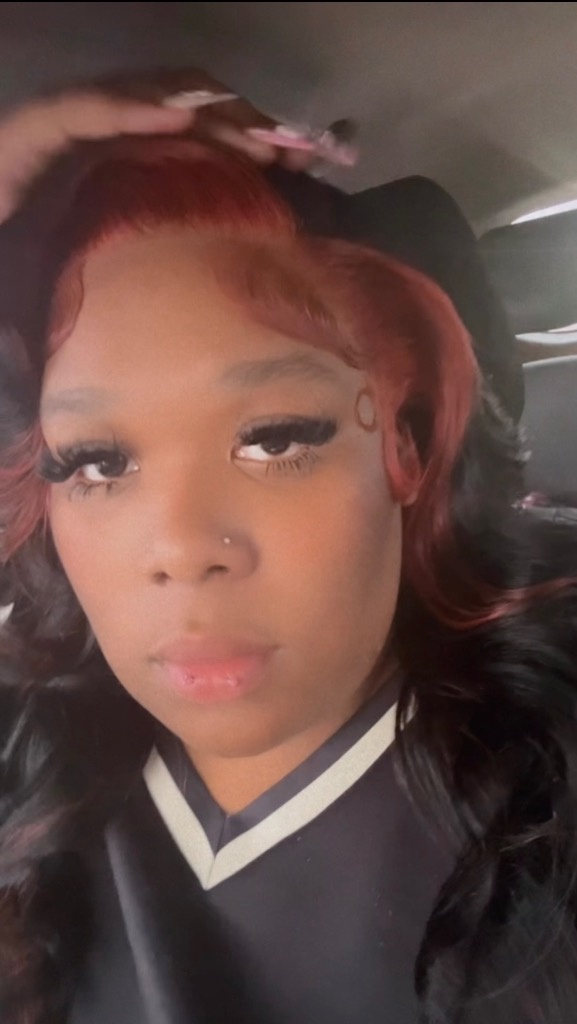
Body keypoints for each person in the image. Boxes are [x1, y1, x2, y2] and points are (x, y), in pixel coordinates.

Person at [0, 76, 575, 1024]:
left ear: (405, 447)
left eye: (274, 441)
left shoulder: (541, 794)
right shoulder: (32, 755)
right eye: (98, 462)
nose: (183, 549)